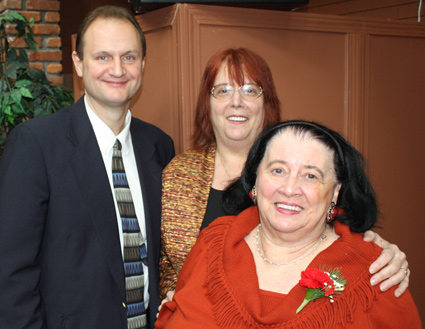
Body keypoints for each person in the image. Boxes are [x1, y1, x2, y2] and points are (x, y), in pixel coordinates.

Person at [146, 121, 425, 329]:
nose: (290, 188)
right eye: (278, 170)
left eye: (311, 175)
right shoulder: (212, 242)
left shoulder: (376, 275)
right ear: (254, 180)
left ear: (336, 192)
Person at [0, 6, 174, 329]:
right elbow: (11, 278)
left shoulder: (159, 145)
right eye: (102, 56)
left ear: (143, 64)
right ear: (78, 62)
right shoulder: (36, 145)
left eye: (129, 57)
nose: (117, 70)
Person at [160, 48, 409, 302]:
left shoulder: (304, 164)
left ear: (266, 103)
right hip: (203, 321)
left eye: (250, 90)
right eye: (223, 90)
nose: (236, 101)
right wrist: (172, 293)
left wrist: (383, 252)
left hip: (285, 314)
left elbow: (342, 227)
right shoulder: (178, 173)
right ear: (207, 102)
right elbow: (167, 260)